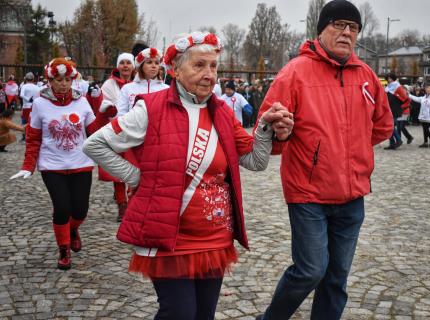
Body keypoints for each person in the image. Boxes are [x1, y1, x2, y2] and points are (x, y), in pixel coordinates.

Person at [83, 31, 293, 320]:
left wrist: (266, 127)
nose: (209, 74)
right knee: (179, 313)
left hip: (214, 237)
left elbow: (255, 161)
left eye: (213, 66)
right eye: (199, 65)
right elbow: (95, 143)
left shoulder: (222, 112)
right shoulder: (151, 108)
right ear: (176, 70)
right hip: (170, 235)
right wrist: (137, 177)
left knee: (204, 315)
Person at [254, 1, 393, 319]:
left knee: (336, 279)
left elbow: (383, 126)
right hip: (308, 194)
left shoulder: (367, 76)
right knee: (310, 271)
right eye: (339, 25)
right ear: (322, 29)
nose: (347, 32)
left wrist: (349, 151)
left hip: (352, 195)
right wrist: (283, 134)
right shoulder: (294, 72)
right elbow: (266, 133)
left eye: (354, 28)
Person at [9, 58, 116, 270]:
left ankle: (73, 229)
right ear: (50, 81)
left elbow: (92, 131)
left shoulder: (82, 101)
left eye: (67, 79)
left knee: (80, 210)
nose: (64, 84)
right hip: (52, 166)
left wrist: (104, 115)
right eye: (58, 80)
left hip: (81, 163)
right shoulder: (39, 104)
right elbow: (33, 138)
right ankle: (64, 249)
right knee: (62, 208)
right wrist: (28, 166)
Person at [99, 52, 135, 221]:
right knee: (118, 170)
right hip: (117, 130)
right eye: (122, 63)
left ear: (134, 66)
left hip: (136, 130)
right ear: (118, 66)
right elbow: (104, 106)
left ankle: (133, 199)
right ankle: (122, 205)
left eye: (129, 62)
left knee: (136, 167)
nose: (125, 66)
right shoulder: (108, 85)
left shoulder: (139, 83)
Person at [116, 47, 169, 116]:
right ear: (141, 66)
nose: (154, 66)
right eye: (149, 62)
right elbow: (120, 115)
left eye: (157, 63)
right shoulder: (127, 89)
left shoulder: (167, 89)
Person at [384, 73, 409, 149]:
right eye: (388, 78)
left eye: (390, 78)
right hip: (389, 108)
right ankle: (392, 143)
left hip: (394, 109)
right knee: (388, 126)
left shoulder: (397, 86)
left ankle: (398, 140)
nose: (388, 80)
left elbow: (406, 99)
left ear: (393, 78)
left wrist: (401, 106)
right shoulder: (389, 87)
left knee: (390, 126)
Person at [19, 72, 41, 140]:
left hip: (26, 106)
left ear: (26, 78)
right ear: (33, 79)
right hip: (34, 106)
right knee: (33, 121)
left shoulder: (24, 86)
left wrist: (28, 99)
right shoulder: (37, 87)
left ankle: (24, 136)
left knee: (24, 121)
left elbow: (21, 95)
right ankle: (33, 135)